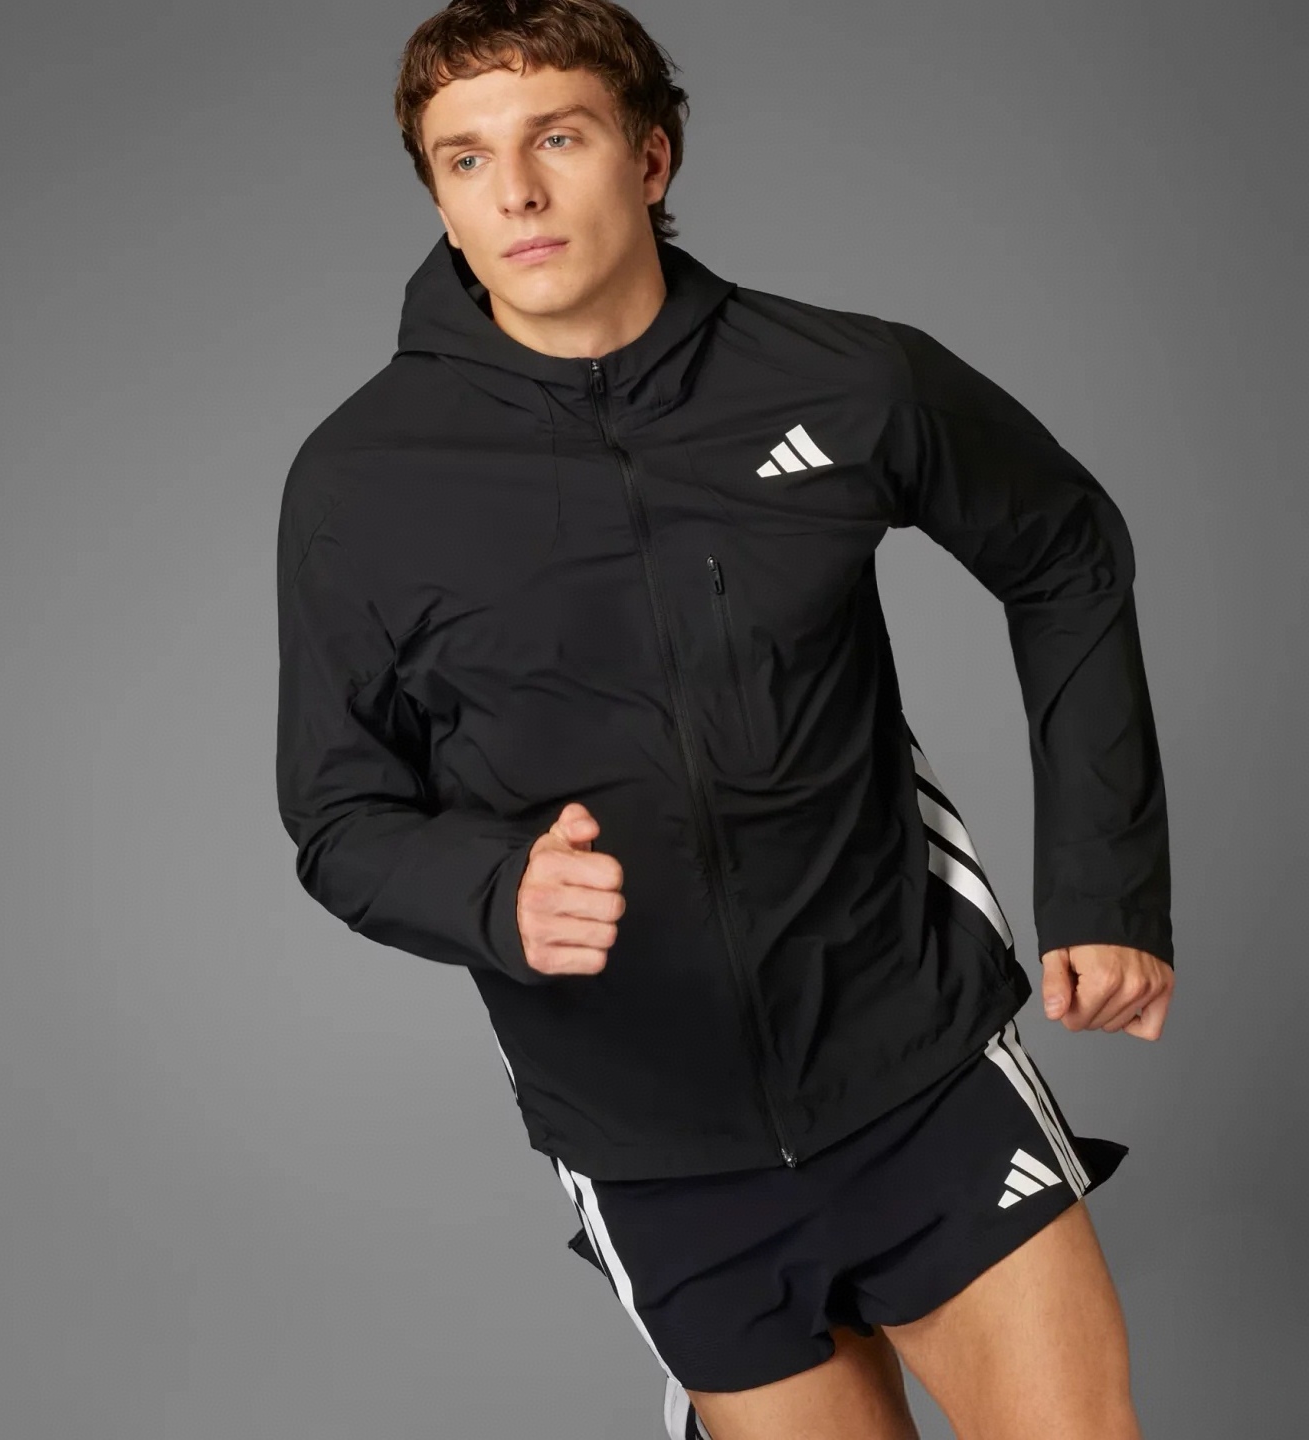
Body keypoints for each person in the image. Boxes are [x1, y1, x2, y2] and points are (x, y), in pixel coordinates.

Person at [274, 2, 1176, 1436]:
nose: (515, 193)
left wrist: (1107, 891)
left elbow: (1065, 552)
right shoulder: (358, 484)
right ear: (439, 198)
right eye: (466, 159)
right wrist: (494, 891)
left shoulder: (846, 379)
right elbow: (339, 818)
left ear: (651, 156)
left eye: (558, 138)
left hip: (919, 1065)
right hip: (654, 1144)